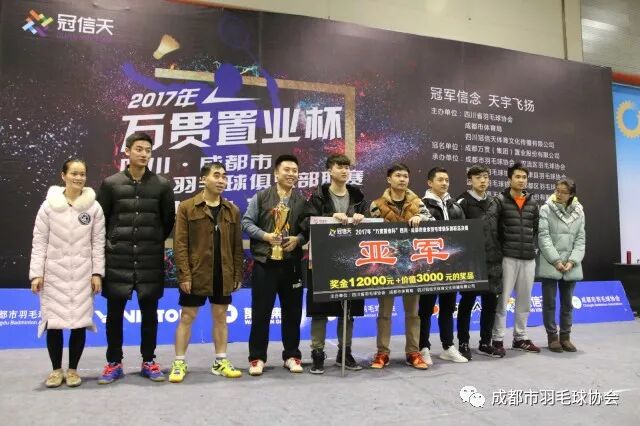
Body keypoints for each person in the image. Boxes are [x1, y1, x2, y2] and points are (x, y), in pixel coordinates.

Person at [97, 132, 176, 383]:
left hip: (149, 260)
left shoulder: (162, 185)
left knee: (150, 315)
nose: (143, 154)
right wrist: (115, 243)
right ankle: (114, 362)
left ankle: (149, 360)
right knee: (114, 316)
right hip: (117, 259)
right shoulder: (111, 184)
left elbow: (167, 221)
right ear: (127, 151)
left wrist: (150, 240)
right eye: (139, 149)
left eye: (148, 150)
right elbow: (101, 221)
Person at [29, 159, 105, 388]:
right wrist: (36, 274)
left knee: (79, 322)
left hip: (83, 275)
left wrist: (97, 273)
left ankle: (72, 370)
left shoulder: (94, 208)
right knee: (54, 323)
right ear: (63, 176)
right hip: (53, 274)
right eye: (74, 173)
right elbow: (39, 242)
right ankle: (56, 370)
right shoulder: (48, 207)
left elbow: (98, 243)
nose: (78, 178)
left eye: (82, 174)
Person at [169, 162, 243, 382]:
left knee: (220, 316)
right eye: (216, 175)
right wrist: (184, 274)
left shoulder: (232, 210)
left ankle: (220, 361)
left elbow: (237, 246)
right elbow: (180, 244)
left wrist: (237, 274)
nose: (221, 180)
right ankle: (179, 362)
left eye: (224, 176)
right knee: (187, 316)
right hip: (196, 272)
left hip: (223, 272)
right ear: (203, 179)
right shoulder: (187, 207)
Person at [242, 154, 308, 376]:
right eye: (286, 170)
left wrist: (298, 239)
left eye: (294, 171)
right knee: (261, 312)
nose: (291, 174)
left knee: (293, 313)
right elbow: (246, 222)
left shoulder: (302, 201)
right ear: (276, 173)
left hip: (292, 265)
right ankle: (257, 357)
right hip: (265, 263)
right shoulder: (262, 197)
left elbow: (308, 229)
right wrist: (266, 236)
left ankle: (292, 355)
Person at [305, 154, 367, 374]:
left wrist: (361, 217)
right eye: (339, 166)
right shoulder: (318, 196)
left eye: (347, 167)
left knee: (348, 310)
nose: (344, 170)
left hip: (352, 260)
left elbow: (370, 224)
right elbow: (306, 222)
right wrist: (331, 216)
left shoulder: (359, 197)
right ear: (329, 170)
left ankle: (345, 352)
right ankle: (317, 353)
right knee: (319, 309)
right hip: (323, 259)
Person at [369, 163, 432, 370]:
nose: (402, 179)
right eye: (398, 175)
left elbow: (433, 222)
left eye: (405, 176)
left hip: (412, 265)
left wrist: (421, 217)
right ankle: (382, 353)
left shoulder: (418, 203)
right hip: (386, 266)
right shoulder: (376, 205)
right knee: (384, 313)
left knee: (413, 313)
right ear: (389, 179)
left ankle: (413, 352)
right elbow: (370, 234)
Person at [419, 167, 468, 364]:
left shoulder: (455, 206)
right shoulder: (421, 205)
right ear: (430, 183)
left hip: (451, 265)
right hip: (429, 265)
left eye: (447, 180)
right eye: (440, 180)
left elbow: (463, 234)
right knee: (426, 309)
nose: (444, 183)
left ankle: (448, 346)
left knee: (447, 307)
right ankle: (423, 347)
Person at [491, 162, 540, 354]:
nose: (521, 180)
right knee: (502, 300)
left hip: (528, 257)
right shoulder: (500, 201)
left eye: (524, 177)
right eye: (517, 177)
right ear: (509, 179)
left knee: (524, 300)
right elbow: (494, 230)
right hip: (507, 257)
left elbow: (535, 229)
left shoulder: (532, 203)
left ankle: (520, 337)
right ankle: (497, 339)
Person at [456, 165, 503, 359]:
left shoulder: (494, 202)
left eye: (485, 177)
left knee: (490, 302)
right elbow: (457, 235)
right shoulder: (461, 202)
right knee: (467, 303)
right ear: (470, 181)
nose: (483, 181)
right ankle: (463, 343)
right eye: (478, 177)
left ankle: (485, 343)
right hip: (471, 261)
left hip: (492, 261)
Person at [537, 178, 585, 352]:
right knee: (549, 303)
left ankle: (565, 337)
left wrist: (572, 261)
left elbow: (580, 239)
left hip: (571, 265)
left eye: (563, 192)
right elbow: (543, 237)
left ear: (571, 194)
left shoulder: (579, 211)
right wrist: (556, 261)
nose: (558, 194)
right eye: (557, 190)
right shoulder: (546, 208)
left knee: (567, 304)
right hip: (551, 263)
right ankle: (552, 337)